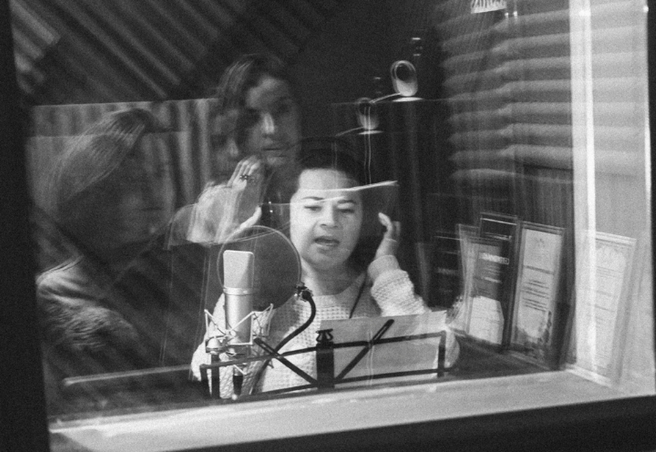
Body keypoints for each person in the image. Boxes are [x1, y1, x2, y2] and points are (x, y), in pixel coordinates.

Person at [191, 140, 457, 397]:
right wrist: (249, 287)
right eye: (313, 207)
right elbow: (223, 388)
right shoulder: (259, 296)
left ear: (367, 219)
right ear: (284, 214)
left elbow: (441, 357)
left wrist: (385, 271)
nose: (330, 221)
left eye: (346, 209)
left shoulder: (380, 293)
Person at [36, 108, 191, 403]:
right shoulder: (53, 294)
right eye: (133, 179)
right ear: (99, 188)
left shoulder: (183, 272)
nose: (153, 192)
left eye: (161, 174)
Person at [186, 53, 301, 244]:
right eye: (253, 117)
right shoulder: (215, 205)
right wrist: (239, 214)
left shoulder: (322, 190)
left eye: (282, 110)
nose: (271, 129)